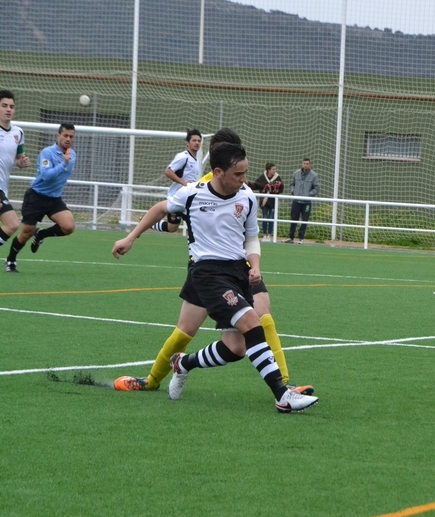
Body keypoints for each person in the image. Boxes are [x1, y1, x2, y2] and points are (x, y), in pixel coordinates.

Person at [114, 128, 311, 397]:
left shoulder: (243, 192)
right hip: (206, 270)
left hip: (239, 267)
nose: (242, 177)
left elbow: (250, 235)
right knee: (186, 330)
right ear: (219, 167)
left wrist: (255, 265)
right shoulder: (200, 188)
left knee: (258, 320)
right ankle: (151, 380)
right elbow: (168, 215)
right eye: (237, 171)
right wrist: (132, 237)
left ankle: (284, 384)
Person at [4, 124, 76, 272]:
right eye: (65, 135)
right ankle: (10, 260)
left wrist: (65, 162)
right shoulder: (47, 153)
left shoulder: (72, 155)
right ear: (58, 136)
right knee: (26, 233)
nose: (68, 139)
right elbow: (46, 176)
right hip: (36, 197)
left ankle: (41, 234)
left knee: (68, 226)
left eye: (71, 136)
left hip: (54, 199)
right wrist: (63, 163)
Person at [0, 89, 31, 264]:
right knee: (12, 224)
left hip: (1, 187)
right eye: (4, 105)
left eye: (11, 106)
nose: (8, 109)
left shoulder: (18, 133)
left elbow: (17, 158)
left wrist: (21, 162)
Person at [150, 129, 202, 233]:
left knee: (194, 225)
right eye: (194, 140)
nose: (197, 143)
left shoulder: (197, 161)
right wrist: (184, 183)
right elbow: (168, 171)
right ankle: (147, 222)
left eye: (199, 141)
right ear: (187, 143)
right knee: (172, 228)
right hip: (177, 197)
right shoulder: (183, 157)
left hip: (188, 198)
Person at [283, 158, 319, 244]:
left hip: (307, 203)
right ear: (302, 164)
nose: (305, 165)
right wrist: (293, 192)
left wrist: (309, 194)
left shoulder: (314, 175)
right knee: (293, 219)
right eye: (304, 163)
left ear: (310, 165)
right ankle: (290, 237)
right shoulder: (296, 173)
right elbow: (292, 184)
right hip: (296, 201)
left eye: (307, 164)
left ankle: (301, 238)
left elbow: (316, 188)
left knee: (304, 220)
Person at [251, 162, 283, 242]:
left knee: (271, 218)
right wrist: (247, 183)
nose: (275, 171)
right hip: (264, 201)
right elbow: (256, 185)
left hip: (273, 202)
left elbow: (281, 188)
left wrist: (276, 189)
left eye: (275, 169)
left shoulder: (277, 177)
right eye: (273, 169)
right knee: (265, 217)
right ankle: (264, 235)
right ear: (268, 170)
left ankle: (269, 235)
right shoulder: (263, 177)